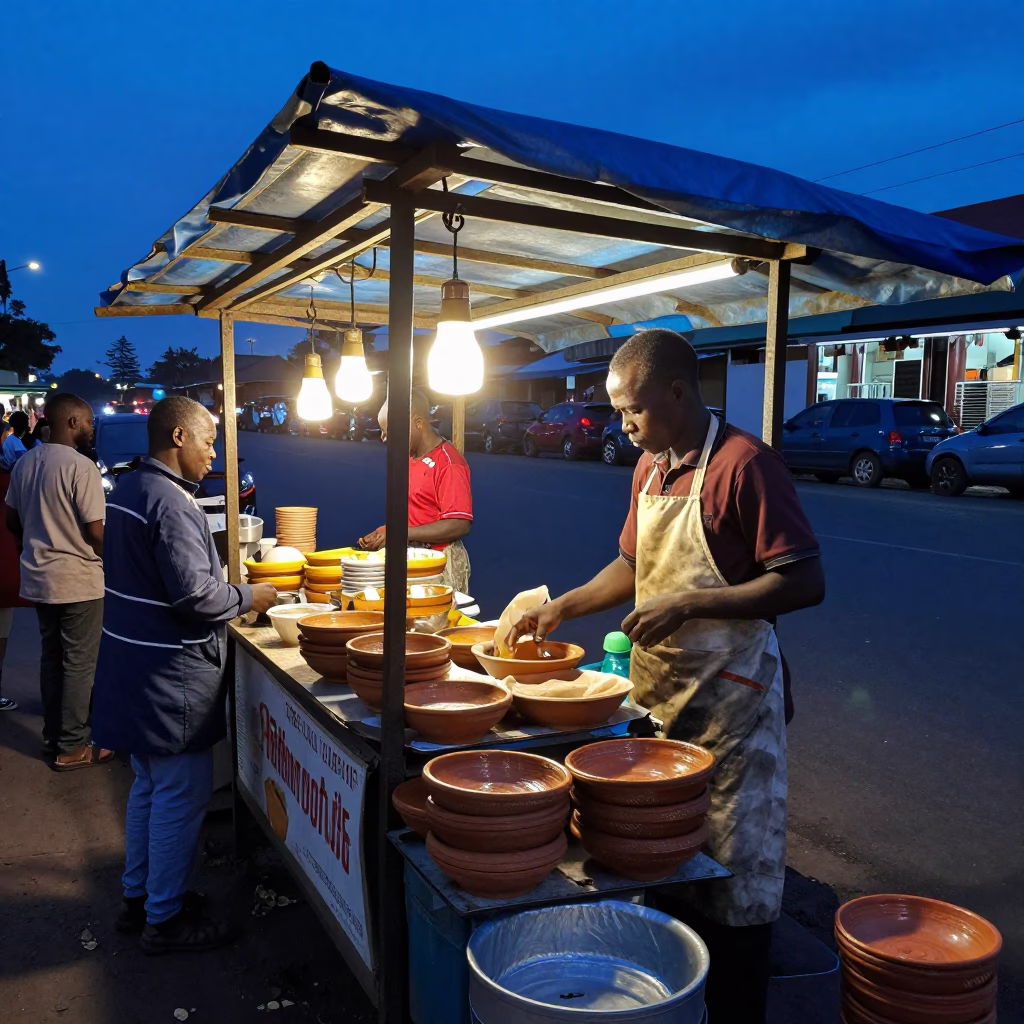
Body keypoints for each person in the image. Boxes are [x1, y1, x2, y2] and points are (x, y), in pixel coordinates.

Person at [512, 329, 825, 1023]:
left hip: (734, 711)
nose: (622, 427)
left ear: (679, 393)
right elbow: (630, 567)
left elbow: (804, 580)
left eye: (633, 412)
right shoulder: (650, 469)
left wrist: (692, 601)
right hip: (660, 703)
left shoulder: (745, 465)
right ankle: (672, 999)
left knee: (734, 879)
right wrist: (561, 606)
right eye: (619, 414)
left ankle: (737, 1009)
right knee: (661, 861)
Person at [91, 396, 277, 953]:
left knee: (149, 785)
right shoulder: (171, 504)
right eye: (207, 441)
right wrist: (252, 595)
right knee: (179, 794)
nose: (211, 453)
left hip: (133, 666)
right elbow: (197, 595)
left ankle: (139, 898)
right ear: (177, 439)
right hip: (169, 676)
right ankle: (164, 920)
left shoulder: (128, 488)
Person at [4, 393, 112, 769]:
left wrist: (32, 543)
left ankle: (54, 735)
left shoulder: (25, 463)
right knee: (80, 663)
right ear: (71, 422)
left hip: (39, 580)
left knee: (52, 660)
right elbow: (96, 533)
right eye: (87, 421)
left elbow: (11, 520)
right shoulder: (81, 468)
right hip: (78, 581)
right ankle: (71, 747)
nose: (90, 427)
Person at [359, 387, 473, 593]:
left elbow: (459, 524)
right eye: (383, 431)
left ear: (418, 423)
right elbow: (415, 513)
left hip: (439, 564)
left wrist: (399, 534)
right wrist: (385, 533)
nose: (384, 438)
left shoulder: (449, 463)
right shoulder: (408, 458)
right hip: (411, 558)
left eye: (390, 431)